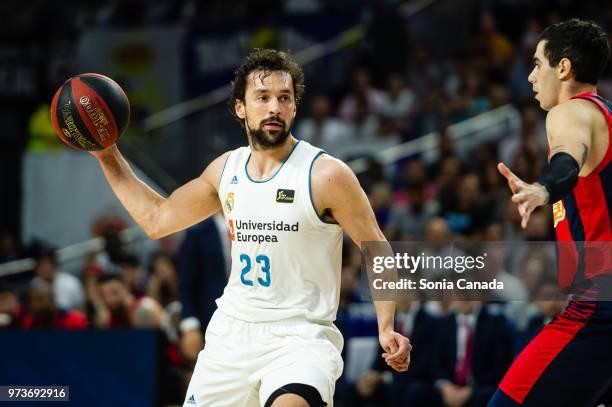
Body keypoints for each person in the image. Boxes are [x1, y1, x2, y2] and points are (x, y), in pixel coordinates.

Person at [90, 48, 410, 407]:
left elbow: (377, 248)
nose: (274, 107)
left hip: (300, 338)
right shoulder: (226, 169)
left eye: (284, 98)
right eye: (263, 97)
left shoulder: (326, 174)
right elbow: (157, 219)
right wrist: (107, 155)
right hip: (232, 335)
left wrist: (386, 325)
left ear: (293, 107)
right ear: (240, 108)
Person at [489, 19, 612, 406]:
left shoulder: (571, 112)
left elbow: (566, 158)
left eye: (538, 64)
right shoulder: (605, 116)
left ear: (563, 68)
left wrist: (543, 188)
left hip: (599, 305)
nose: (530, 76)